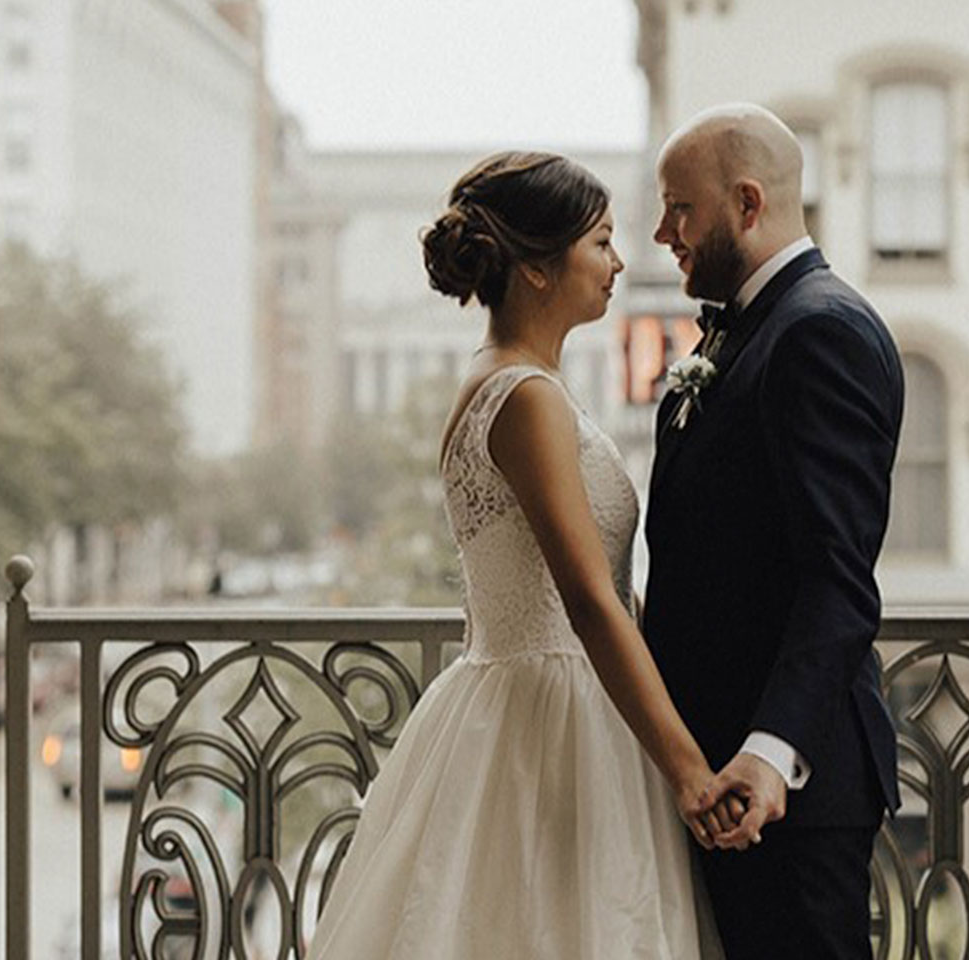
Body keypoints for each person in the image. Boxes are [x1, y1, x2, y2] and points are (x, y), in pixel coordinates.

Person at [306, 151, 730, 960]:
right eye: (600, 242)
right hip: (551, 718)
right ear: (538, 268)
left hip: (528, 702)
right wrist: (688, 772)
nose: (618, 261)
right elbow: (588, 597)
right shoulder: (525, 398)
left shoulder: (514, 381)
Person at [644, 104, 906, 959]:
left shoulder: (818, 331)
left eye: (680, 208)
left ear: (747, 204)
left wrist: (768, 751)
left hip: (788, 790)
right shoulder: (752, 326)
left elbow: (838, 579)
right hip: (719, 779)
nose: (662, 232)